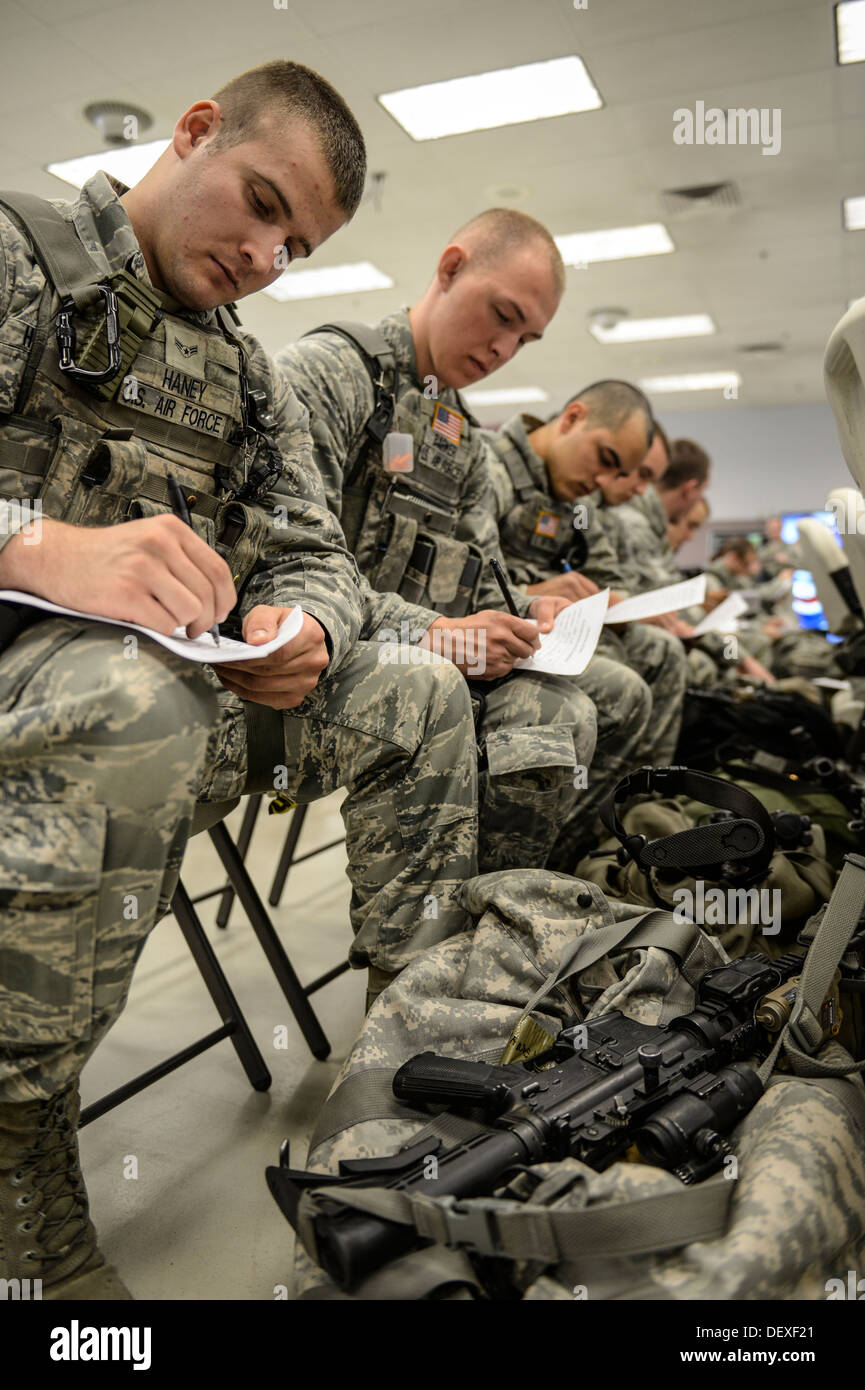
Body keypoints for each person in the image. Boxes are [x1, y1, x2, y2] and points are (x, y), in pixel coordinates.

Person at [0, 61, 481, 1300]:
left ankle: (401, 1094)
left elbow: (316, 549)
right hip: (48, 720)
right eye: (261, 205)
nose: (270, 259)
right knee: (132, 705)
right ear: (196, 129)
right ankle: (22, 1184)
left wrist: (303, 623)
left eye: (298, 246)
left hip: (166, 711)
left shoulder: (243, 372)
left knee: (415, 692)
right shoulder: (20, 260)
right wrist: (40, 547)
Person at [276, 210, 609, 874]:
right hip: (314, 659)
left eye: (526, 339)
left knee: (597, 696)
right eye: (501, 315)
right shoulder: (331, 374)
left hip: (419, 652)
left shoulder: (461, 438)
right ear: (451, 268)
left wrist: (524, 618)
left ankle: (515, 913)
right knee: (521, 712)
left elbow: (486, 575)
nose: (502, 349)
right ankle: (440, 951)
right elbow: (289, 568)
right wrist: (443, 634)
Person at [484, 383, 688, 776]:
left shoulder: (577, 504)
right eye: (605, 458)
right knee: (622, 690)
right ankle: (579, 824)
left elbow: (610, 575)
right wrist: (529, 595)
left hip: (559, 631)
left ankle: (636, 803)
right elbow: (459, 578)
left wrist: (614, 601)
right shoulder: (490, 469)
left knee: (661, 652)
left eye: (619, 472)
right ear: (573, 418)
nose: (603, 480)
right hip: (499, 630)